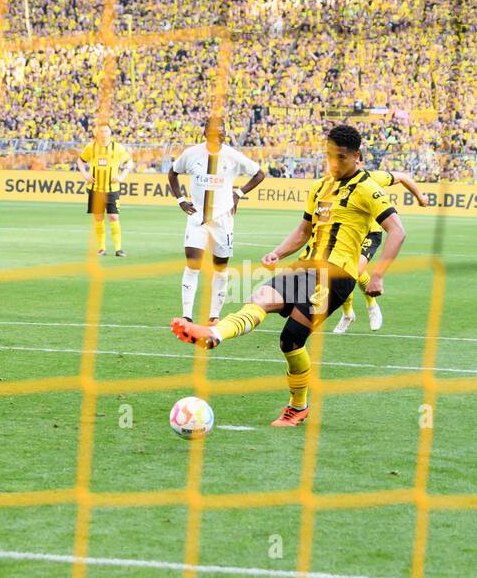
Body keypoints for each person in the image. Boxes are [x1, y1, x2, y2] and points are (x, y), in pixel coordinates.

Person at [171, 125, 406, 427]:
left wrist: (377, 276)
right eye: (330, 157)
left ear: (357, 157)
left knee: (291, 340)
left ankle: (298, 407)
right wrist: (279, 253)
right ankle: (214, 334)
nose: (335, 163)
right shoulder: (320, 187)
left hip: (336, 276)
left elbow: (397, 231)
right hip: (305, 265)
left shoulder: (368, 189)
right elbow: (304, 231)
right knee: (260, 297)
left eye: (342, 158)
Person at [167, 116, 265, 324]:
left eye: (221, 132)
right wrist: (181, 200)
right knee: (192, 264)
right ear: (205, 133)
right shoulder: (192, 154)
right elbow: (172, 173)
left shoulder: (233, 156)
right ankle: (186, 315)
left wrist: (238, 193)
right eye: (213, 132)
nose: (217, 136)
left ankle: (213, 316)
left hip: (223, 220)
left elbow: (259, 174)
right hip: (197, 219)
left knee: (220, 267)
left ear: (225, 134)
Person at [332, 165, 433, 333]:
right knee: (340, 271)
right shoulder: (334, 182)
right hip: (347, 235)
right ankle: (347, 313)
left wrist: (420, 197)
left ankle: (372, 306)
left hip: (370, 233)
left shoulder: (370, 178)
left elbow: (403, 177)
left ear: (357, 161)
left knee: (352, 271)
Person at [78, 123, 132, 257]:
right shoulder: (91, 147)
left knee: (113, 217)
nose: (103, 133)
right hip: (95, 189)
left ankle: (118, 249)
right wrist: (85, 174)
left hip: (112, 189)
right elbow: (80, 160)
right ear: (97, 133)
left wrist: (122, 176)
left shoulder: (117, 148)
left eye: (106, 131)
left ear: (110, 133)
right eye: (101, 131)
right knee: (98, 218)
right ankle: (101, 248)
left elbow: (129, 161)